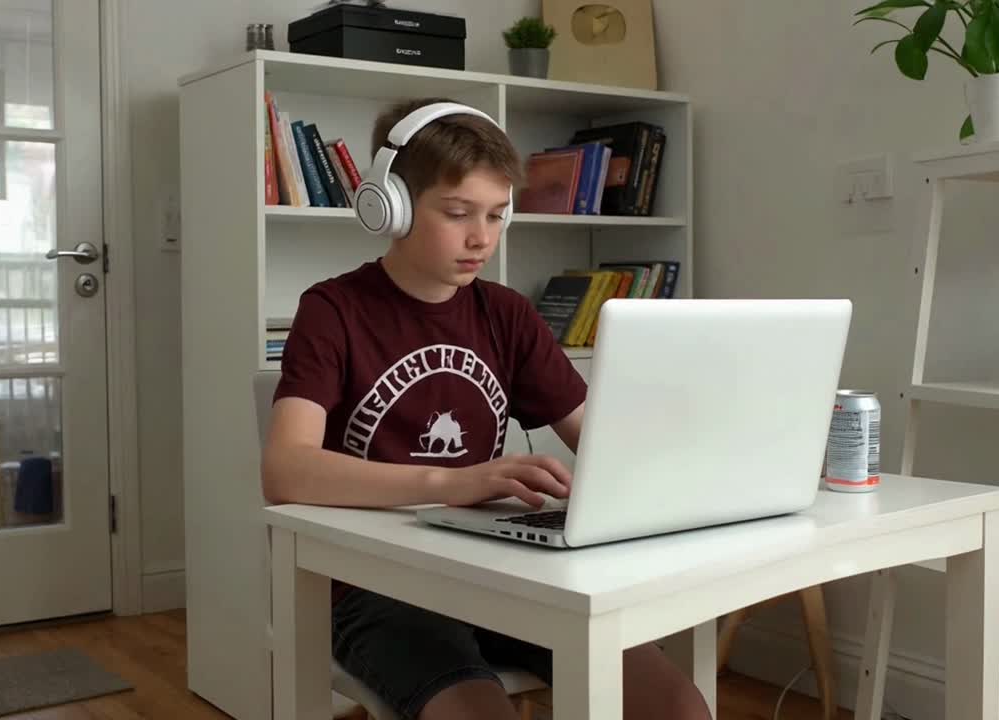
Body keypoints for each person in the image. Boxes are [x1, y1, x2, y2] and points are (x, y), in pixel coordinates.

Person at [263, 97, 712, 720]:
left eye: (498, 216)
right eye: (457, 213)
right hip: (374, 584)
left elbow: (601, 444)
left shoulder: (506, 313)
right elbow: (286, 471)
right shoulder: (332, 311)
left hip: (499, 567)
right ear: (387, 207)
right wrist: (454, 482)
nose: (482, 238)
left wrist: (710, 455)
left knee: (677, 708)